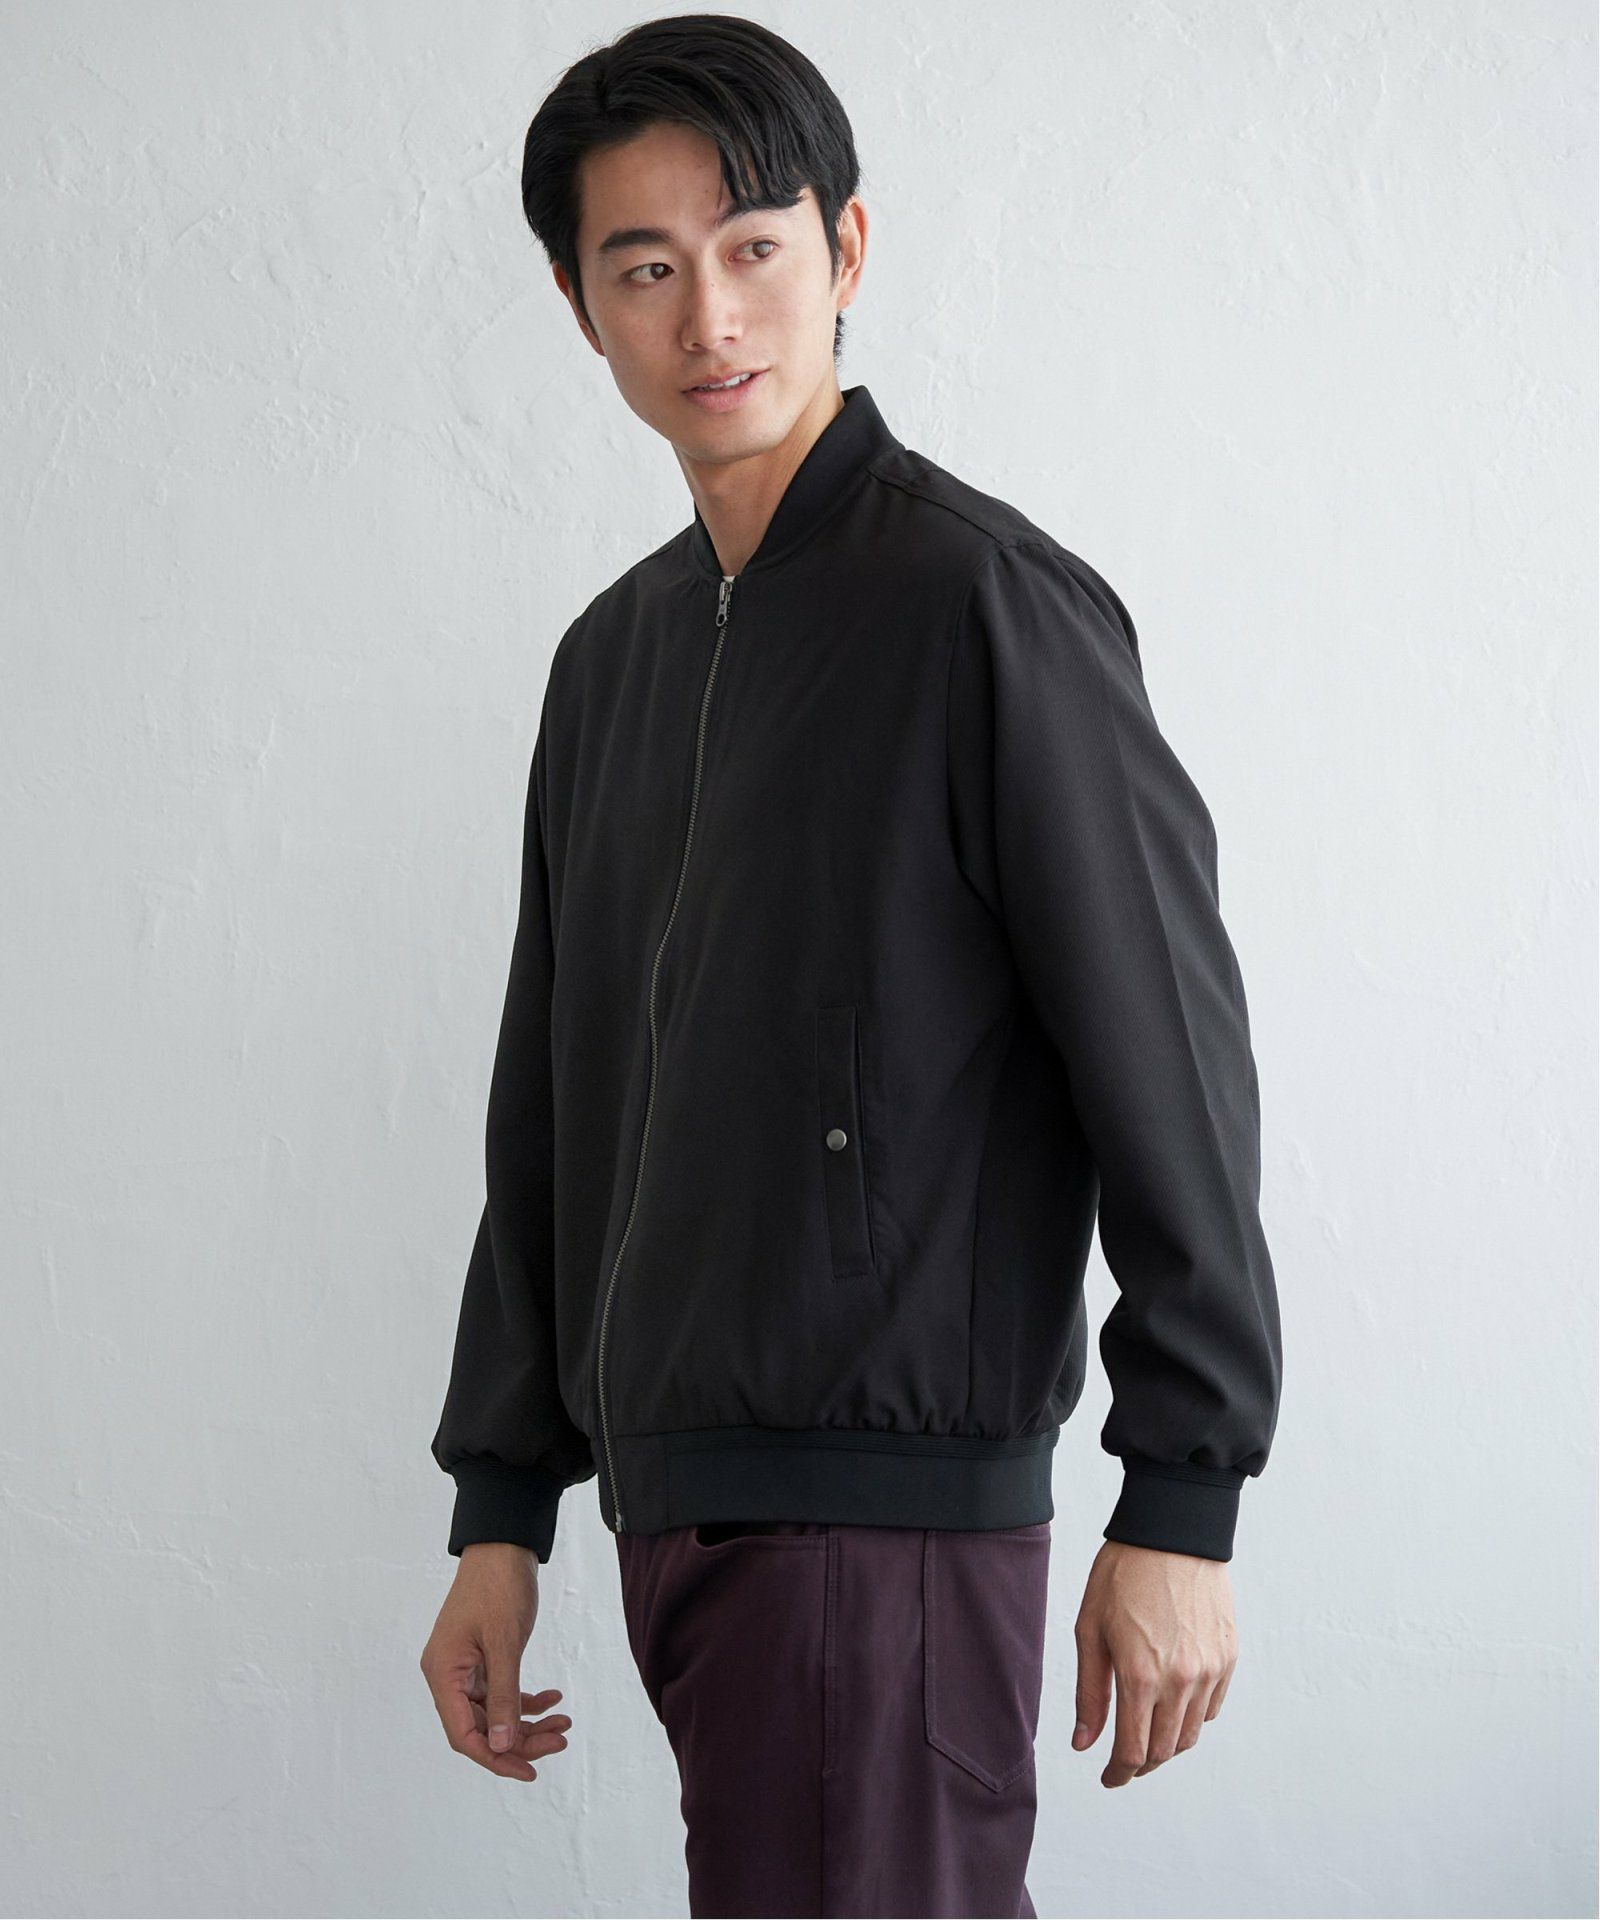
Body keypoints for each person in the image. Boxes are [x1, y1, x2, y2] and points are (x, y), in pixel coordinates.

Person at [418, 15, 1283, 1916]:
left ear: (847, 250)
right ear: (580, 307)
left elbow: (1168, 1056)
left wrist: (1184, 1493)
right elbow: (555, 1102)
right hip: (685, 1507)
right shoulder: (617, 660)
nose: (709, 316)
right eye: (645, 268)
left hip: (881, 1524)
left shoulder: (981, 605)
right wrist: (501, 1506)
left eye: (753, 248)